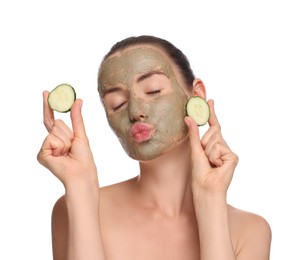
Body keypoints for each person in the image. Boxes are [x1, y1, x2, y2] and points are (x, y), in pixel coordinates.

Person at [37, 35, 272, 260]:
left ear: (196, 94)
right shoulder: (78, 206)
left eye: (153, 91)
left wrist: (210, 200)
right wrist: (80, 184)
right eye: (117, 104)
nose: (135, 111)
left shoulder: (250, 231)